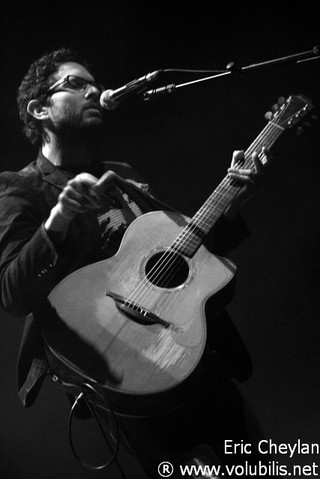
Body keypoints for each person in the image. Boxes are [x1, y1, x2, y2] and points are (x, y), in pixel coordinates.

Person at [0, 47, 273, 478]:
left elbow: (184, 253)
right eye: (77, 83)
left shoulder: (120, 173)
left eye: (94, 82)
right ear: (40, 109)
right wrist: (58, 219)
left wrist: (232, 206)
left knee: (261, 467)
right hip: (124, 377)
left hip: (192, 351)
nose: (96, 90)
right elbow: (13, 293)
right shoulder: (20, 189)